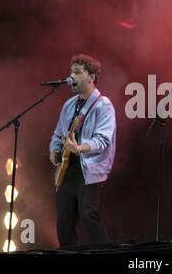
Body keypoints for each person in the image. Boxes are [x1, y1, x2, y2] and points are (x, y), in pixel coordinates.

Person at [49, 54, 116, 247]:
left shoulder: (103, 105)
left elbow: (103, 140)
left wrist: (79, 148)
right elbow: (57, 134)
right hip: (67, 170)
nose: (71, 76)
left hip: (91, 172)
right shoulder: (69, 105)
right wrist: (54, 151)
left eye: (77, 72)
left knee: (88, 215)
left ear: (91, 76)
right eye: (71, 72)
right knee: (64, 223)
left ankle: (105, 253)